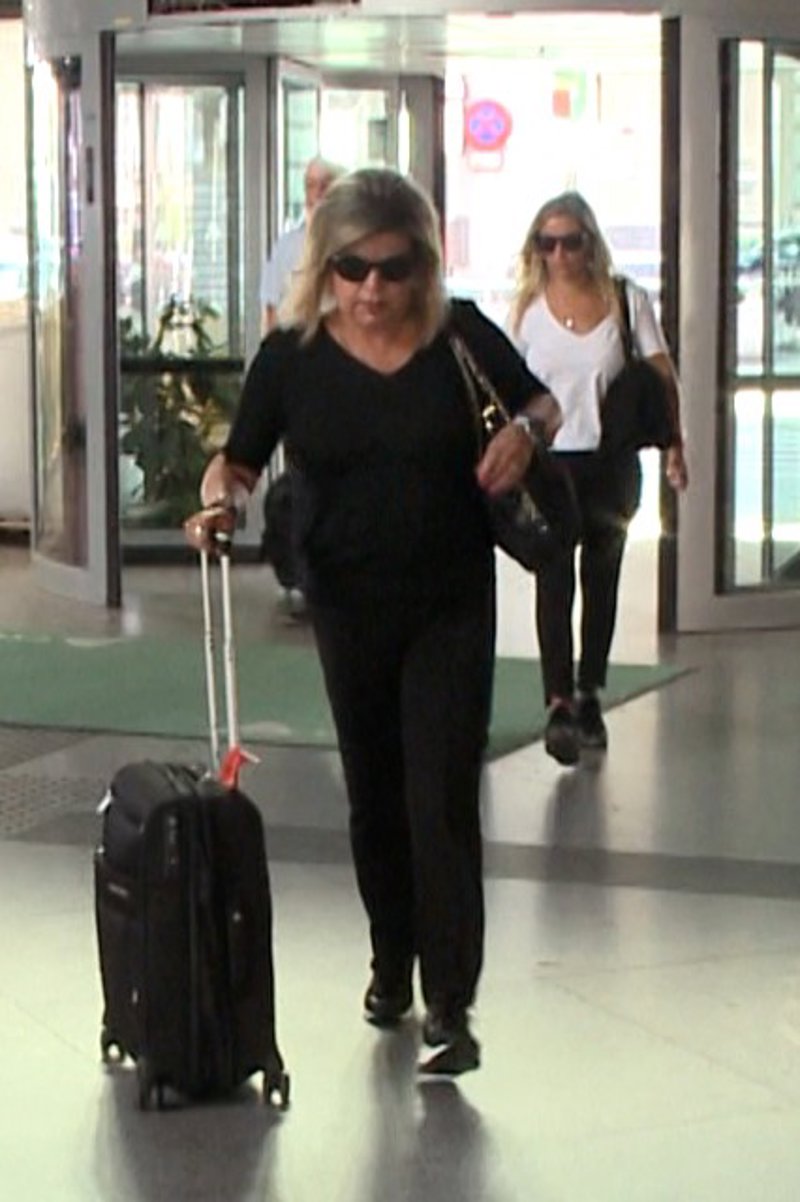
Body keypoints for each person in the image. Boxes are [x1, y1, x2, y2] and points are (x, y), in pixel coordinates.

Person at [184, 167, 561, 1076]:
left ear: (423, 267)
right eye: (351, 269)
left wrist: (524, 436)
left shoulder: (458, 334)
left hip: (451, 601)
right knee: (375, 796)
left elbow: (540, 401)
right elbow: (238, 461)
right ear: (326, 266)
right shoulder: (293, 357)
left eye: (394, 269)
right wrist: (220, 501)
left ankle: (451, 1003)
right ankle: (392, 958)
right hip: (347, 603)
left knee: (442, 798)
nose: (372, 289)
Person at [508, 190, 688, 767]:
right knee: (553, 578)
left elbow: (661, 374)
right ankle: (558, 702)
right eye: (548, 243)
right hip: (549, 464)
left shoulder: (624, 300)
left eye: (571, 242)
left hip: (610, 462)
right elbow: (508, 388)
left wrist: (676, 445)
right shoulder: (527, 310)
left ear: (590, 243)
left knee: (602, 578)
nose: (559, 254)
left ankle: (589, 691)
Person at [259, 156, 344, 621]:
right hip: (300, 382)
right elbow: (272, 314)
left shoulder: (354, 245)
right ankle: (307, 580)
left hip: (342, 381)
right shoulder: (287, 247)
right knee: (303, 487)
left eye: (327, 183)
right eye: (312, 184)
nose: (318, 192)